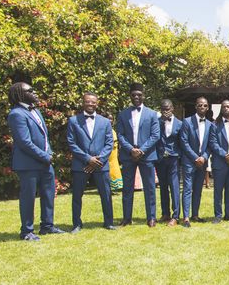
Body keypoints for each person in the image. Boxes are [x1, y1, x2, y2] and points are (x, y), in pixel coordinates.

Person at [7, 82, 65, 240]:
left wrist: (49, 152)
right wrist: (45, 156)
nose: (35, 93)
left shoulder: (36, 111)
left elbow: (44, 136)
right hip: (28, 164)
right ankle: (27, 231)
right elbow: (24, 142)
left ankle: (47, 226)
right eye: (30, 91)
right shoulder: (16, 114)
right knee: (28, 197)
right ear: (20, 95)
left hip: (44, 162)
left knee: (48, 194)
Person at [66, 92, 115, 232]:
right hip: (81, 164)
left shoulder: (105, 122)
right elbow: (71, 143)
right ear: (83, 102)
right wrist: (88, 159)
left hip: (101, 164)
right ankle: (77, 224)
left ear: (97, 103)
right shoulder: (73, 121)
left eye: (93, 102)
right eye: (88, 101)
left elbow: (109, 143)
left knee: (106, 194)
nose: (90, 104)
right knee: (77, 195)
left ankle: (109, 222)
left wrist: (99, 159)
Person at [116, 83, 160, 227]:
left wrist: (141, 150)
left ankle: (151, 217)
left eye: (139, 95)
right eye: (134, 94)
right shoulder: (123, 114)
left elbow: (155, 135)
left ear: (143, 95)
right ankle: (127, 218)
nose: (136, 97)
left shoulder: (152, 114)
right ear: (130, 96)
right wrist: (131, 149)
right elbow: (120, 135)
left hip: (146, 156)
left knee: (149, 188)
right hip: (128, 156)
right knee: (127, 188)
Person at [179, 97, 213, 227]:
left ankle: (195, 215)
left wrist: (204, 157)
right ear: (196, 106)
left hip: (203, 162)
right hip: (189, 161)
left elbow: (211, 144)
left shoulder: (210, 124)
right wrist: (195, 157)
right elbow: (184, 142)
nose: (202, 107)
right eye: (200, 105)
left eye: (205, 105)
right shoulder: (187, 122)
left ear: (207, 107)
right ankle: (186, 217)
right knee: (187, 189)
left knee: (198, 189)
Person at [155, 99, 183, 226]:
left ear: (172, 109)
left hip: (173, 159)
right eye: (163, 109)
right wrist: (160, 122)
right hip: (160, 159)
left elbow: (182, 143)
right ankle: (165, 213)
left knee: (174, 187)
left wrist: (179, 157)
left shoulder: (179, 124)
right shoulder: (156, 122)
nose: (166, 111)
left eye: (168, 109)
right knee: (163, 187)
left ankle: (176, 216)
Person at [105, 113, 123, 192]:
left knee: (114, 167)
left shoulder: (112, 130)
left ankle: (114, 187)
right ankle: (108, 187)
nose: (110, 120)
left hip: (114, 152)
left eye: (111, 119)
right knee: (109, 168)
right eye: (108, 118)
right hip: (108, 153)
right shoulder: (104, 130)